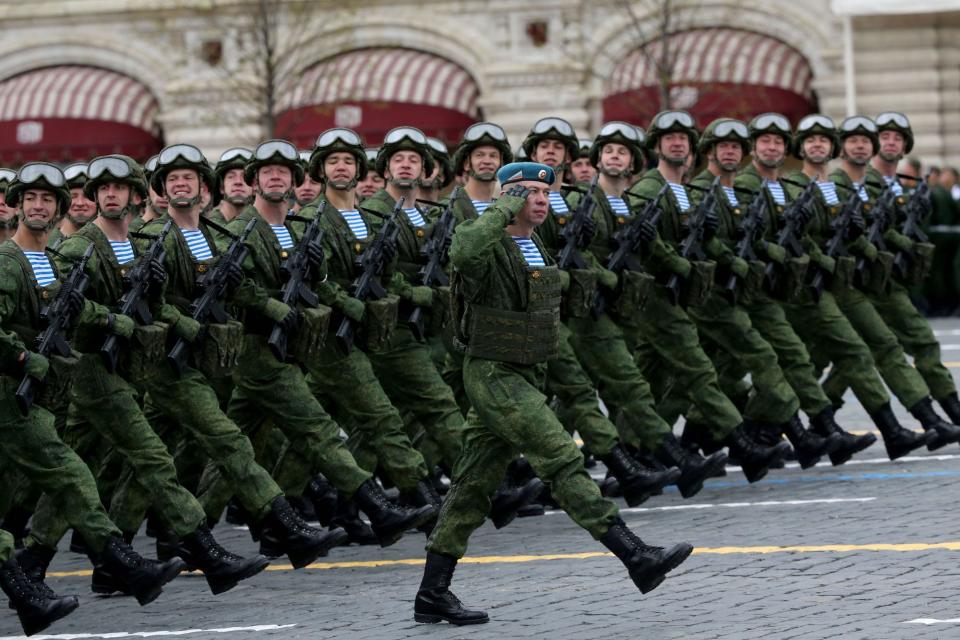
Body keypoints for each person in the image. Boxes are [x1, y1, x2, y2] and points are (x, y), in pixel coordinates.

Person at [413, 162, 693, 625]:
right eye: (529, 193)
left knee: (472, 487)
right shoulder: (483, 236)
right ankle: (634, 554)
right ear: (507, 198)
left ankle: (432, 593)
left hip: (524, 374)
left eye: (546, 192)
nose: (541, 200)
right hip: (493, 375)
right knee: (560, 456)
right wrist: (504, 205)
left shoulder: (535, 243)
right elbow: (461, 254)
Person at [0, 162, 184, 607]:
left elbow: (70, 308)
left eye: (47, 200)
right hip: (10, 394)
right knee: (72, 476)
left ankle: (29, 592)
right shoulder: (8, 263)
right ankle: (121, 566)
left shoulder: (46, 259)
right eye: (30, 199)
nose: (38, 207)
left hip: (33, 397)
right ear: (18, 207)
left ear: (59, 206)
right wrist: (23, 356)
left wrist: (112, 319)